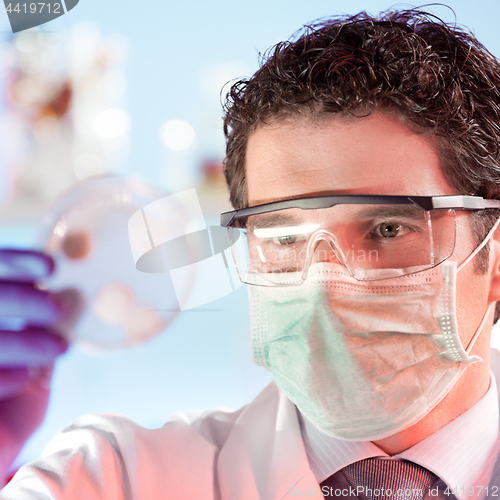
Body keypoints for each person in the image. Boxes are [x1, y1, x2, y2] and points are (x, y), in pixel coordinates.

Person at [2, 7, 500, 499]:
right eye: (283, 237)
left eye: (388, 228)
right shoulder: (115, 478)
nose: (324, 285)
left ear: (494, 257)